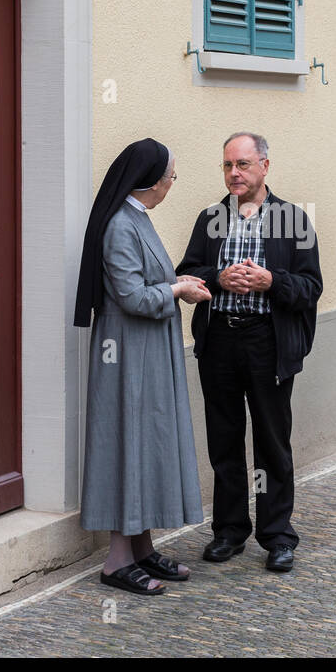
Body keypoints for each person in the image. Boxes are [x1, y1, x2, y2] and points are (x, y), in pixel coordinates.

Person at [176, 133, 322, 573]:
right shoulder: (210, 218)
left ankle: (277, 536)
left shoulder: (292, 220)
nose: (233, 174)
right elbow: (187, 271)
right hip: (220, 338)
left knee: (272, 441)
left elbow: (311, 288)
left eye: (242, 164)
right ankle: (229, 531)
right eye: (227, 166)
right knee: (223, 439)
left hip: (267, 341)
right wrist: (218, 279)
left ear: (264, 166)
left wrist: (271, 282)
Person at [73, 138, 212, 596]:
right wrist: (177, 292)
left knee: (148, 441)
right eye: (173, 177)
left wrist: (178, 281)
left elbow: (147, 279)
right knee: (127, 443)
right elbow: (131, 297)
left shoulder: (137, 218)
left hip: (146, 351)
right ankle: (116, 561)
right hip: (126, 355)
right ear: (155, 180)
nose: (173, 184)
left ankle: (141, 548)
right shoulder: (120, 224)